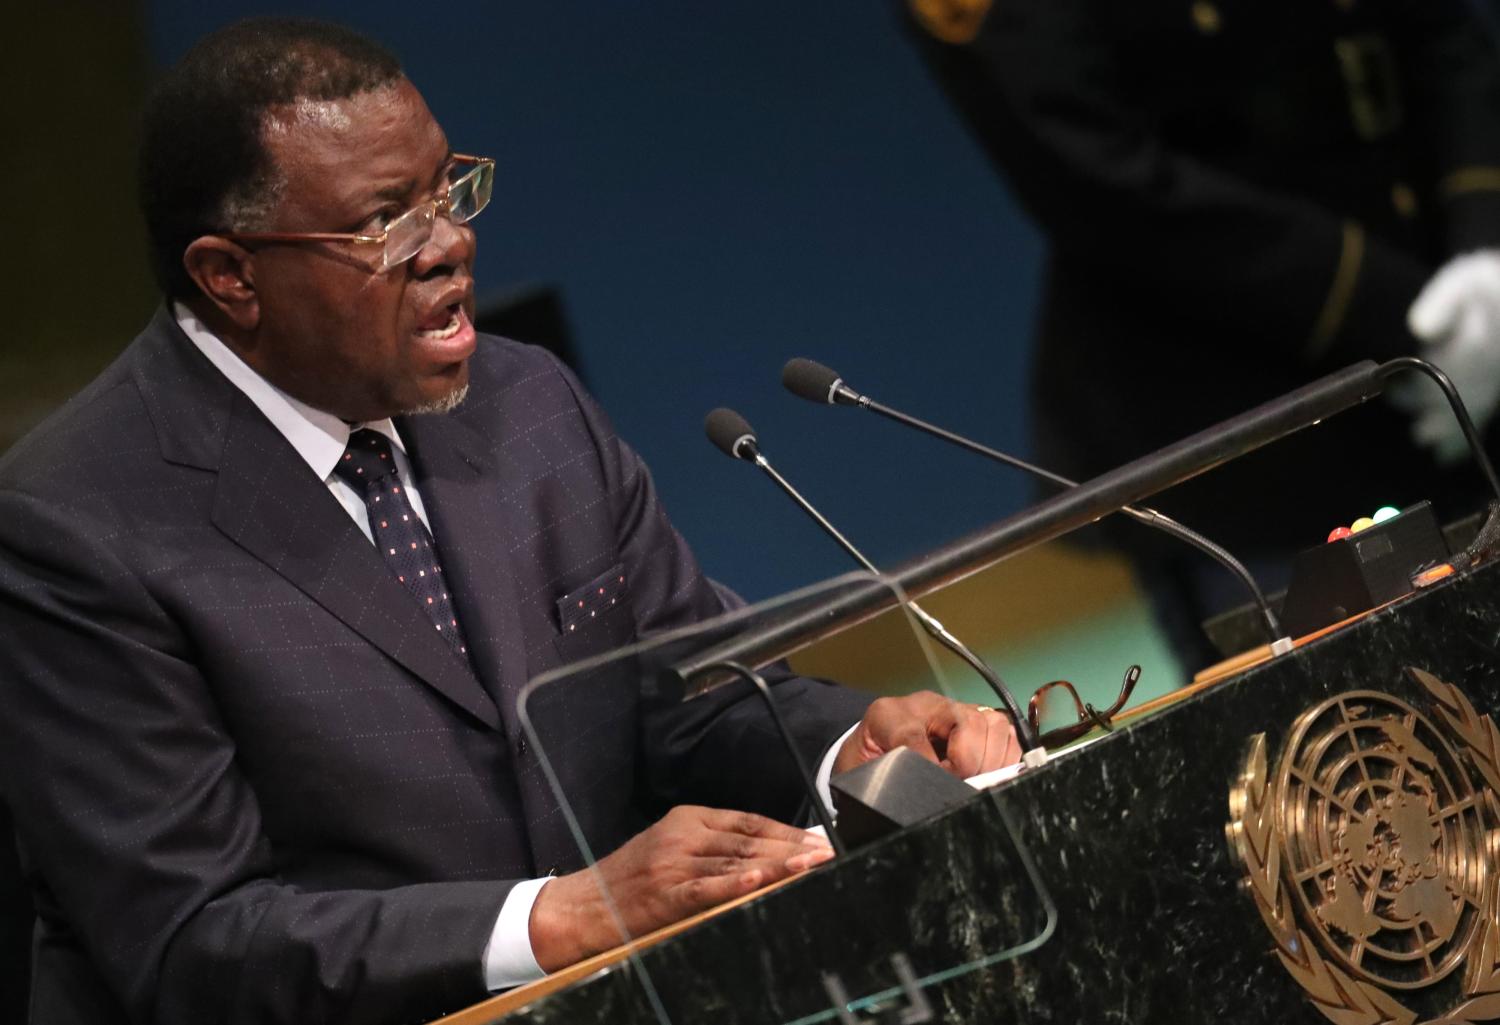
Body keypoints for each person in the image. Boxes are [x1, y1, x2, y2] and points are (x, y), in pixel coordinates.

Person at [0, 18, 1019, 1025]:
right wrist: (554, 917)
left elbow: (687, 697)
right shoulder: (76, 528)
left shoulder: (526, 402)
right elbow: (193, 939)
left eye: (447, 187)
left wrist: (853, 749)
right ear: (231, 276)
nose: (450, 241)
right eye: (387, 220)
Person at [903, 0, 1500, 664]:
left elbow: (1447, 34)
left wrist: (1485, 243)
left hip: (1476, 329)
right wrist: (1411, 319)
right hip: (1251, 441)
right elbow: (1094, 177)